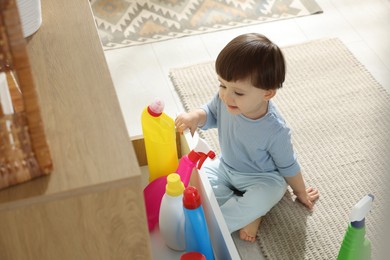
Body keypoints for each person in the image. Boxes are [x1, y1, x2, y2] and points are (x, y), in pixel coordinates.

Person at [175, 33, 319, 243]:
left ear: (267, 94)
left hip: (264, 178)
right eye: (222, 85)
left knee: (263, 197)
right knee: (196, 176)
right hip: (226, 166)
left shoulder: (275, 130)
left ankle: (213, 225)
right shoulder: (225, 100)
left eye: (238, 93)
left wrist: (300, 191)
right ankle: (252, 214)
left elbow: (288, 165)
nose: (226, 96)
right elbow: (211, 112)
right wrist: (195, 116)